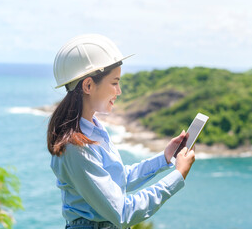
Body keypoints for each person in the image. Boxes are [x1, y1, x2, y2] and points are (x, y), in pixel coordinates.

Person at [48, 34, 196, 229]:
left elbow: (117, 180)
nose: (119, 91)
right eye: (114, 82)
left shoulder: (93, 129)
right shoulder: (77, 147)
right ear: (88, 85)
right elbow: (122, 213)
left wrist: (165, 158)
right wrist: (178, 175)